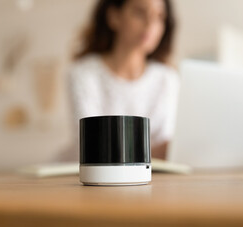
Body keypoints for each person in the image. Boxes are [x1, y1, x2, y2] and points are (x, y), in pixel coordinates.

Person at [66, 0, 179, 161]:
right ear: (114, 17)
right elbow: (90, 144)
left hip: (152, 179)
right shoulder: (83, 74)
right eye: (140, 12)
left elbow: (166, 141)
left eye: (159, 16)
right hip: (88, 177)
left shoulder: (168, 78)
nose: (150, 23)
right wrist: (151, 153)